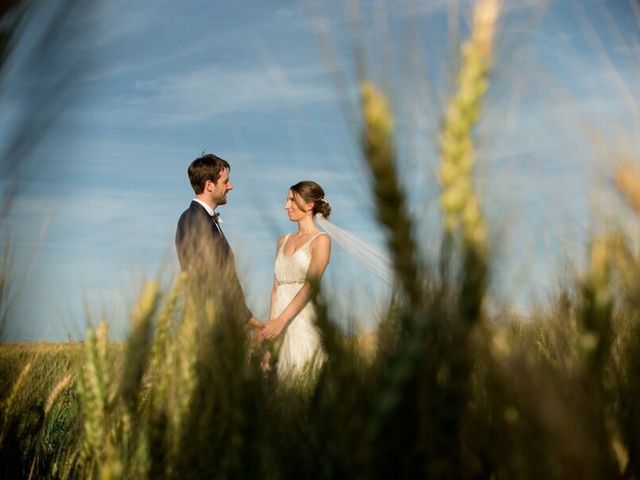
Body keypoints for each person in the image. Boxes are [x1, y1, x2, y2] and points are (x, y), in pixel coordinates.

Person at [175, 153, 260, 328]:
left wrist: (248, 319)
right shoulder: (194, 220)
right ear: (209, 185)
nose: (231, 186)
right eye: (225, 181)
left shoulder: (204, 218)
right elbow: (206, 278)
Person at [259, 180, 332, 380]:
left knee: (302, 375)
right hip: (278, 322)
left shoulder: (321, 240)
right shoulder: (281, 241)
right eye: (287, 199)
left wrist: (282, 321)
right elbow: (275, 289)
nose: (286, 205)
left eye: (292, 200)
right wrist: (271, 328)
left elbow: (311, 286)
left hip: (304, 319)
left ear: (309, 205)